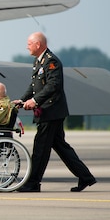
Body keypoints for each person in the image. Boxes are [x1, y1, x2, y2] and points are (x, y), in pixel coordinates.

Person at [14, 32, 97, 192]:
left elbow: (53, 86)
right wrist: (23, 100)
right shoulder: (39, 62)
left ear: (38, 45)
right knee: (61, 147)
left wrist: (35, 101)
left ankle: (33, 183)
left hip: (50, 112)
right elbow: (34, 86)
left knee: (40, 148)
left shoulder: (51, 62)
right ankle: (86, 177)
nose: (27, 46)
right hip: (48, 112)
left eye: (29, 43)